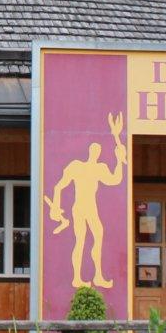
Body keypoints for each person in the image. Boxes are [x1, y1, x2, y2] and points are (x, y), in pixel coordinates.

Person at [45, 113, 127, 289]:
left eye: (98, 151)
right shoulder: (76, 166)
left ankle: (98, 275)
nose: (96, 153)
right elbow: (59, 186)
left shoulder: (100, 168)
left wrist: (119, 161)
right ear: (90, 151)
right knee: (80, 240)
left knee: (98, 235)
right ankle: (77, 278)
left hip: (91, 207)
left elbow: (115, 180)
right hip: (79, 207)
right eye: (94, 150)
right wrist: (56, 206)